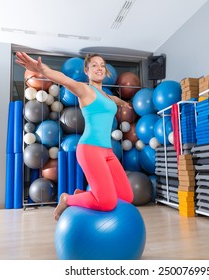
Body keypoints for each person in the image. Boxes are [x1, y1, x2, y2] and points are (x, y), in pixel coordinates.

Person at [15, 52, 134, 221]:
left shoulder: (107, 96)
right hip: (90, 149)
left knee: (127, 197)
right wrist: (43, 70)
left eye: (102, 65)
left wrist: (124, 104)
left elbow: (114, 100)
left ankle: (84, 195)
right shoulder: (85, 90)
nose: (99, 68)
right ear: (87, 71)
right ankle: (67, 199)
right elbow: (64, 79)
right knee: (107, 202)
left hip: (107, 152)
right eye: (94, 65)